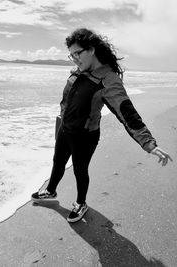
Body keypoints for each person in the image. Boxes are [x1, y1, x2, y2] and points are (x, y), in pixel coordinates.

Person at [31, 28, 173, 223]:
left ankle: (81, 203)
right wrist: (61, 123)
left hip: (85, 136)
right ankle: (50, 190)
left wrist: (149, 143)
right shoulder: (79, 72)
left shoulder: (108, 79)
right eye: (71, 55)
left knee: (80, 170)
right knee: (58, 162)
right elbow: (67, 102)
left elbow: (127, 112)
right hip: (65, 130)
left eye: (77, 53)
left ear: (91, 49)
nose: (74, 59)